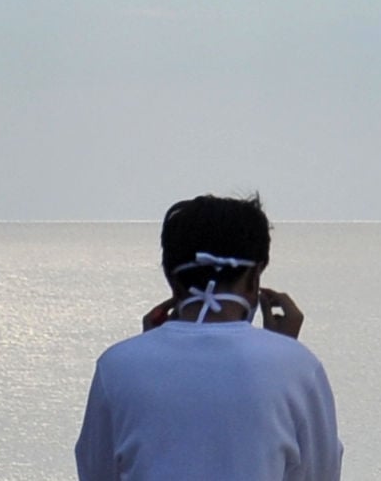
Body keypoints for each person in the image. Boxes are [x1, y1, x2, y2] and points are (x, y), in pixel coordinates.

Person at [75, 192, 342, 481]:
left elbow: (97, 471)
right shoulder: (298, 366)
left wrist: (145, 354)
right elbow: (320, 473)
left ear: (172, 280)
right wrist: (284, 354)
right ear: (254, 279)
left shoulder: (116, 366)